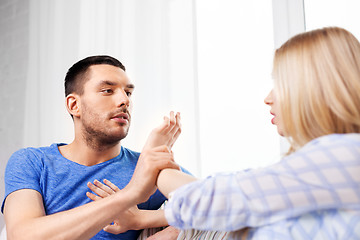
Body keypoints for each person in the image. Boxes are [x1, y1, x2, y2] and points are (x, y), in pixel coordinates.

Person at [92, 27, 360, 239]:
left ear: (313, 88)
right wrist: (146, 216)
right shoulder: (327, 165)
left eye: (280, 84)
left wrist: (153, 159)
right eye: (108, 90)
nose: (268, 98)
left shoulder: (344, 154)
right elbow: (241, 202)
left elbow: (211, 200)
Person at [1, 55, 188, 239]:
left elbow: (212, 206)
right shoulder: (32, 161)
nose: (125, 101)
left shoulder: (147, 167)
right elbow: (21, 236)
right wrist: (131, 193)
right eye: (107, 90)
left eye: (128, 92)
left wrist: (147, 221)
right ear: (74, 105)